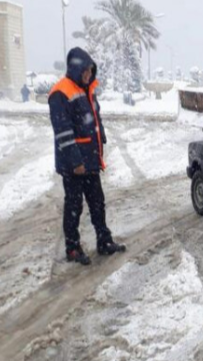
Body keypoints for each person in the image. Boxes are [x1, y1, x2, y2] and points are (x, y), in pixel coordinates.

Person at [49, 47, 126, 266]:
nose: (88, 75)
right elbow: (63, 133)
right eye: (85, 71)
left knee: (97, 202)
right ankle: (72, 248)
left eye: (90, 71)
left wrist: (101, 137)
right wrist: (76, 162)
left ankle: (104, 241)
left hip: (90, 160)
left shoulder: (86, 90)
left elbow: (94, 117)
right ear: (75, 69)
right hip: (74, 164)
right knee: (74, 206)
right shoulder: (61, 93)